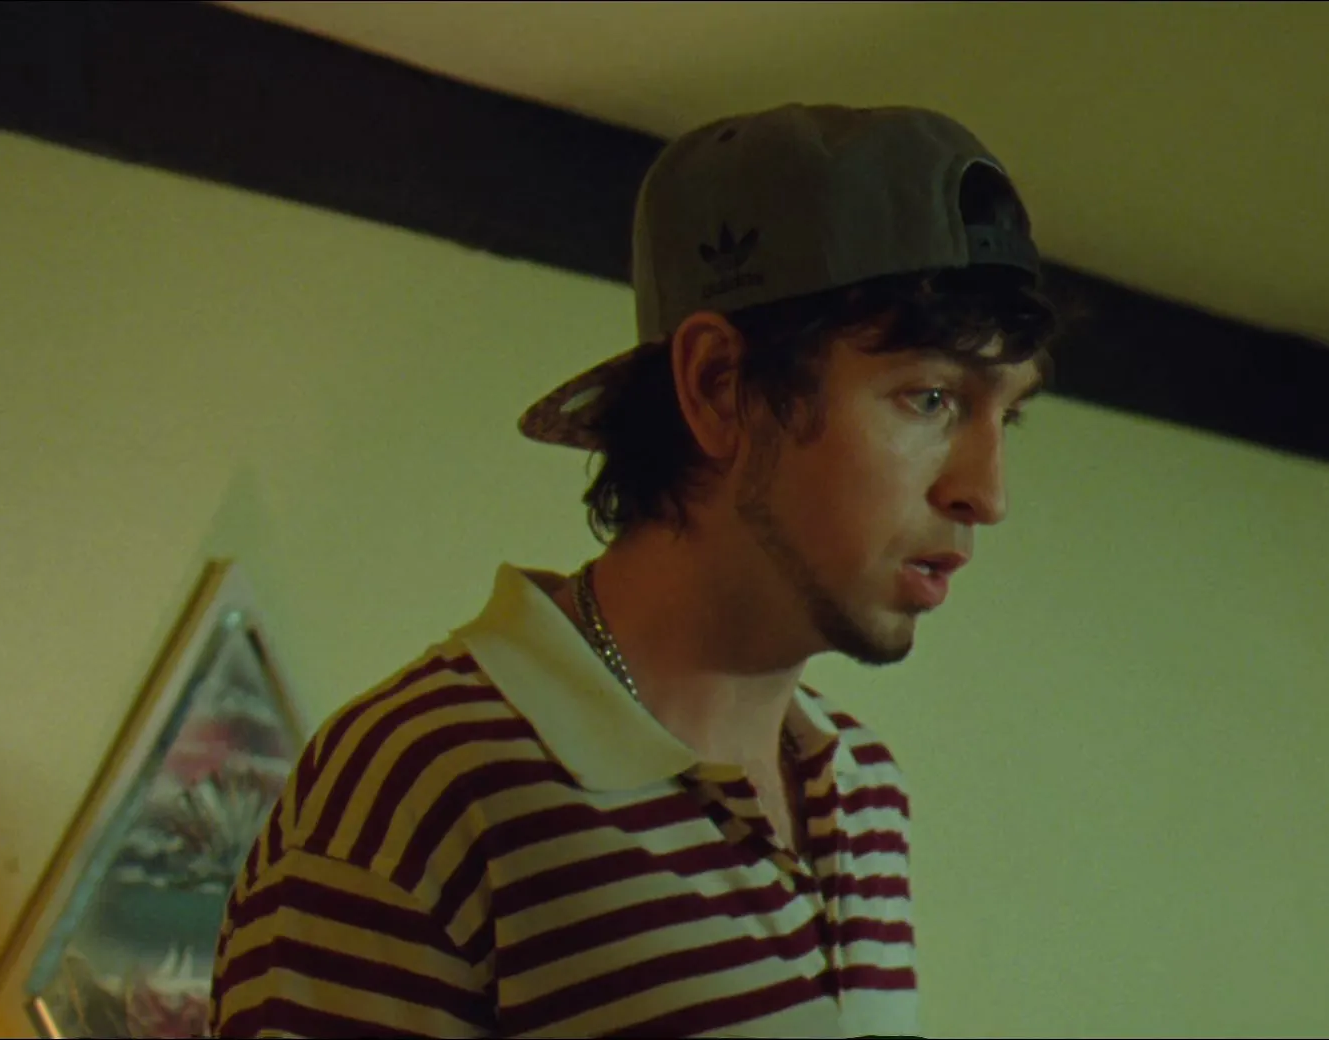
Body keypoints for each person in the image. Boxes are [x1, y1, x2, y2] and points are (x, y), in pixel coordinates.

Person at [209, 102, 1056, 1038]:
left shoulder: (861, 788)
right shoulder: (419, 789)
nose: (987, 493)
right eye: (931, 398)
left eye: (1007, 415)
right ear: (719, 386)